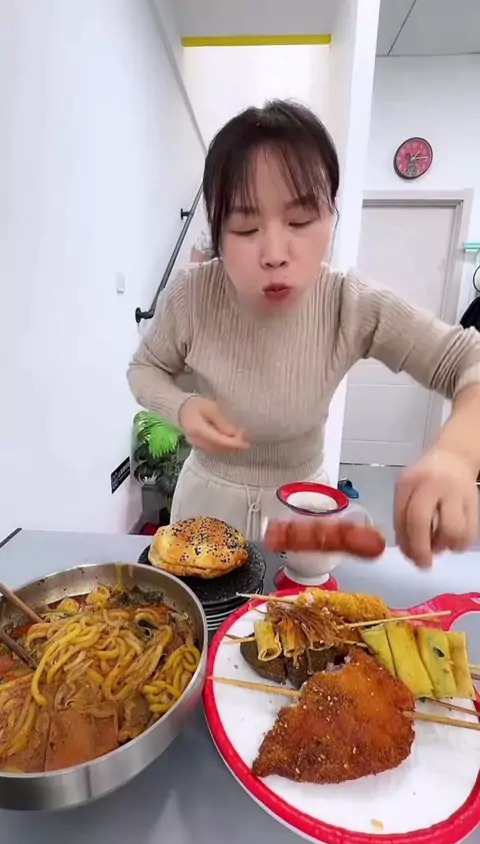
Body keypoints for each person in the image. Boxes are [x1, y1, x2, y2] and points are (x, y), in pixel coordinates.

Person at [128, 100, 480, 568]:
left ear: (332, 215)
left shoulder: (349, 303)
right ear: (218, 231)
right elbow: (144, 369)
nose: (275, 253)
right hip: (205, 506)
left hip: (305, 508)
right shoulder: (191, 295)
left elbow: (467, 359)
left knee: (304, 612)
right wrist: (182, 406)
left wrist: (457, 455)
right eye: (246, 227)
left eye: (299, 221)